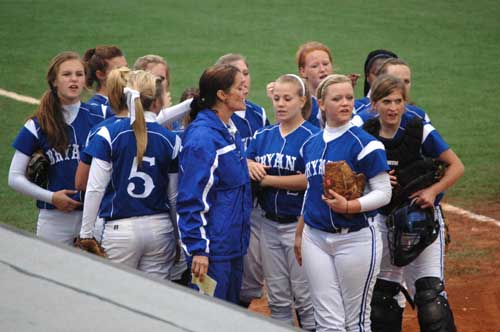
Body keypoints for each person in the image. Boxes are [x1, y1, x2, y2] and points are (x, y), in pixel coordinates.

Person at [363, 74, 464, 332]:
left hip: (420, 220)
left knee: (431, 300)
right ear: (374, 104)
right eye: (386, 101)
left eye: (398, 101)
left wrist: (432, 191)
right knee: (382, 301)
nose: (393, 108)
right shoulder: (364, 132)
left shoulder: (420, 129)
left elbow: (456, 166)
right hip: (383, 221)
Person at [294, 74, 392, 331]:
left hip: (356, 238)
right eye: (337, 98)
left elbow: (384, 192)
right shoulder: (310, 145)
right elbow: (310, 191)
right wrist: (299, 233)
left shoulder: (366, 144)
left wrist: (351, 206)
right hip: (314, 238)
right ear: (322, 103)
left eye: (349, 97)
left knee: (356, 321)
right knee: (327, 321)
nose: (345, 103)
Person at [79, 69, 180, 279]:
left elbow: (95, 188)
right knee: (154, 301)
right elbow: (173, 196)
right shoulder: (172, 139)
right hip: (160, 230)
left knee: (117, 299)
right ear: (156, 102)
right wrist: (179, 238)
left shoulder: (108, 133)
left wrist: (86, 234)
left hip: (119, 231)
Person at [8, 51, 107, 245]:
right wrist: (52, 197)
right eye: (67, 74)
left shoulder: (100, 117)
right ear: (54, 81)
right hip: (54, 219)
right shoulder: (38, 124)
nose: (74, 79)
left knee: (95, 274)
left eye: (79, 74)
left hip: (94, 216)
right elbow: (14, 177)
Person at [246, 74, 317, 329]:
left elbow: (310, 179)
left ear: (302, 101)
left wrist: (267, 181)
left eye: (287, 98)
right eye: (276, 98)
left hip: (301, 227)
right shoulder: (263, 135)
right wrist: (249, 163)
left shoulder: (313, 136)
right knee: (277, 298)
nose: (280, 104)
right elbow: (243, 162)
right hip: (268, 226)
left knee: (306, 299)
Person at [177, 64, 252, 304]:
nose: (245, 92)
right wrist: (199, 249)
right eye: (240, 88)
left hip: (231, 246)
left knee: (229, 315)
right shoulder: (203, 138)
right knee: (208, 318)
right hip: (212, 252)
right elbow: (191, 199)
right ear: (222, 94)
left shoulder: (228, 128)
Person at [215, 53, 268, 307]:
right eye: (237, 75)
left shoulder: (259, 113)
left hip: (255, 206)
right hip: (228, 206)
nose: (243, 80)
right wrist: (243, 163)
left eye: (246, 73)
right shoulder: (219, 116)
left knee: (248, 285)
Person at [352, 58, 431, 127]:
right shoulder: (360, 117)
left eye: (406, 81)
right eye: (395, 81)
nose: (402, 86)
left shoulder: (420, 116)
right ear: (381, 82)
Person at [83, 45, 127, 112]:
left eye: (126, 67)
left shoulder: (131, 101)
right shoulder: (95, 110)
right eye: (119, 69)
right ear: (100, 75)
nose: (127, 72)